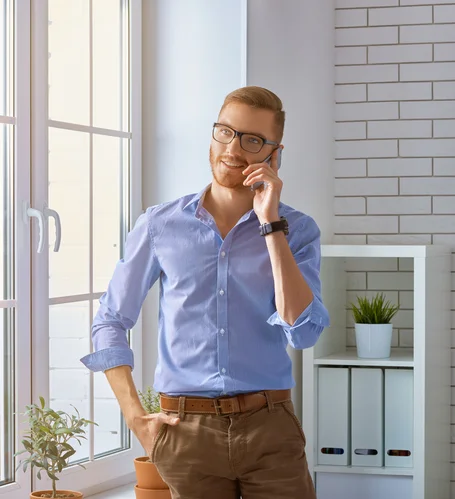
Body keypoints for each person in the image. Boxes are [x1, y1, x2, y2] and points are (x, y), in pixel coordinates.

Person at [81, 86, 330, 499]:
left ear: (274, 154)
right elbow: (109, 320)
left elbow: (302, 332)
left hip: (271, 427)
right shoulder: (159, 225)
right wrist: (136, 419)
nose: (233, 149)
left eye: (252, 140)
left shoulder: (298, 230)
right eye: (225, 132)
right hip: (186, 433)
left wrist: (270, 225)